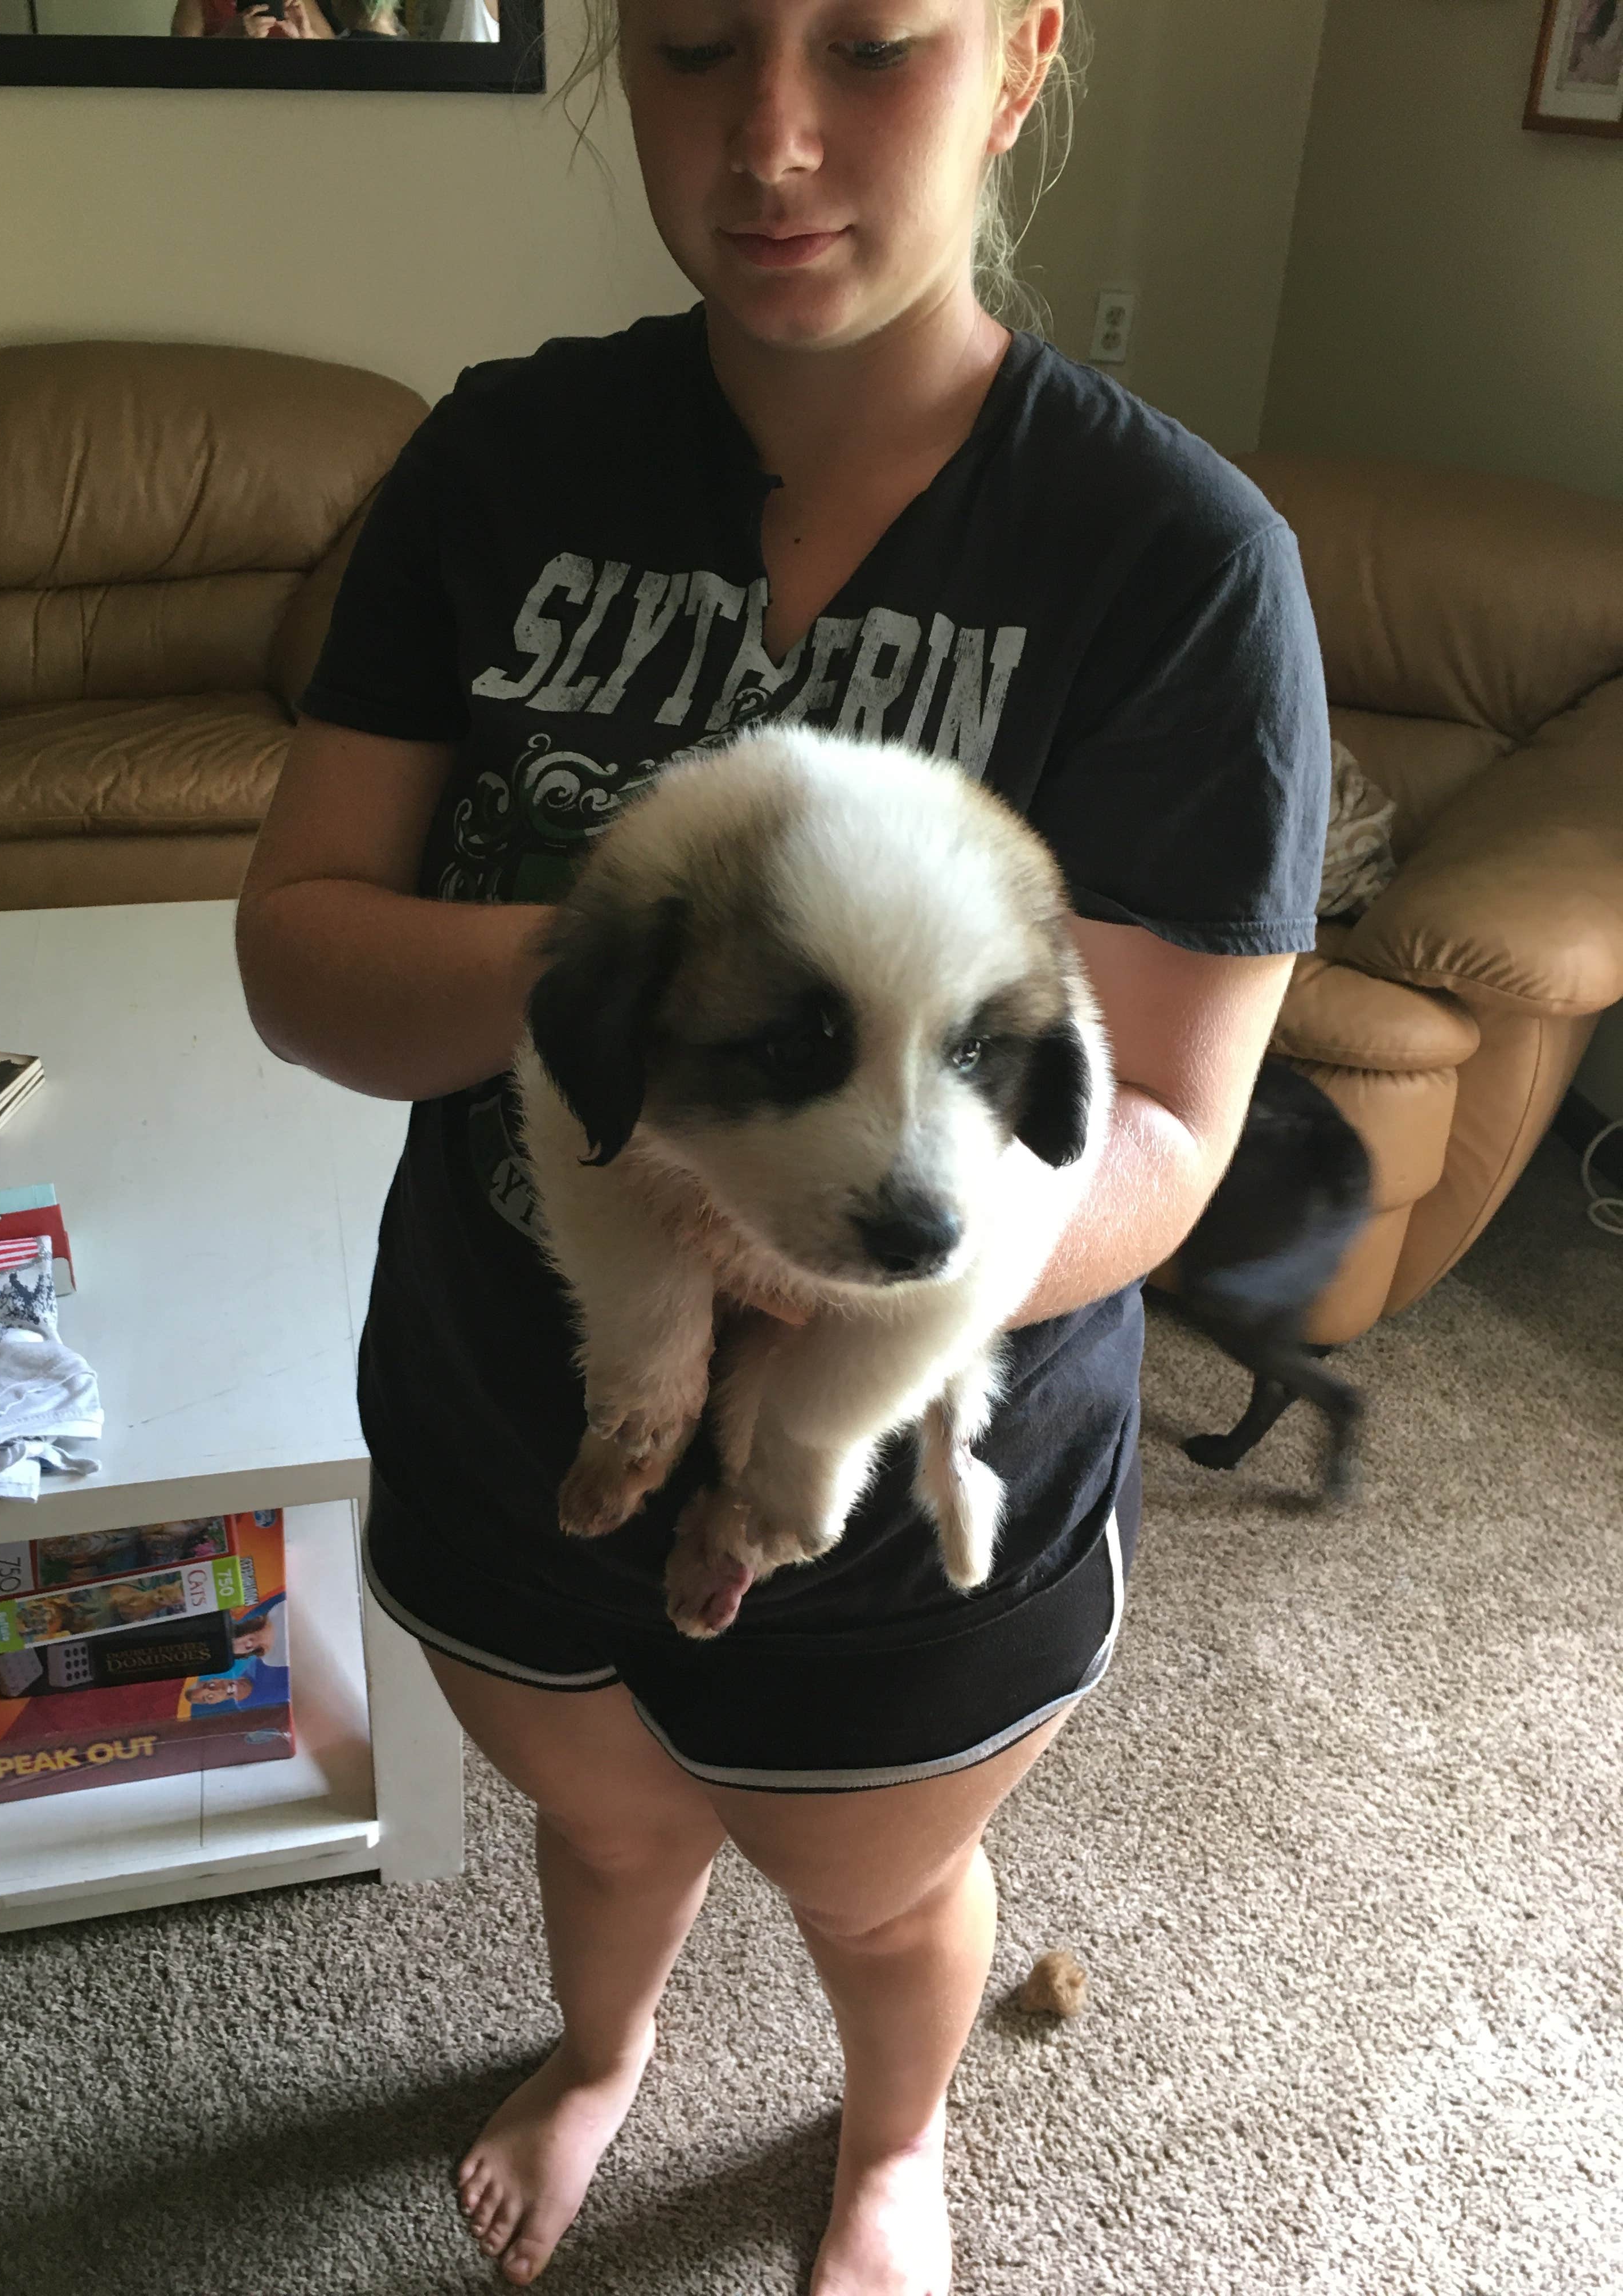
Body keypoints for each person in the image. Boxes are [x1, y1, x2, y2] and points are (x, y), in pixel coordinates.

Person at [234, 1, 1330, 2288]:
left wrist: (854, 1280)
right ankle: (602, 2056)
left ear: (1023, 53)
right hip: (506, 1387)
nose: (774, 140)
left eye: (875, 45)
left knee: (889, 1892)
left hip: (912, 1465)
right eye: (698, 44)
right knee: (608, 1835)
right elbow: (303, 961)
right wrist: (644, 965)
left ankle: (891, 2146)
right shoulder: (502, 462)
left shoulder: (1178, 560)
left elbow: (1162, 1133)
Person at [170, 0, 335, 36]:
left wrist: (306, 36)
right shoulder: (198, 2)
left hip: (291, 101)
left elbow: (337, 58)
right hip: (224, 99)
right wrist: (228, 37)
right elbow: (179, 61)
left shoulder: (297, 2)